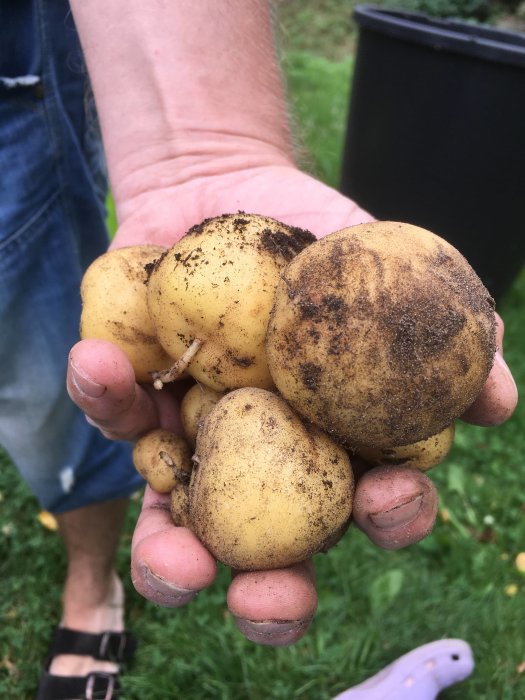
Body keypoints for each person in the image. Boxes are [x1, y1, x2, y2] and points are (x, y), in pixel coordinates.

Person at [0, 1, 517, 699]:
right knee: (51, 387)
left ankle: (93, 582)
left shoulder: (327, 327)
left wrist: (214, 148)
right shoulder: (207, 332)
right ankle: (89, 581)